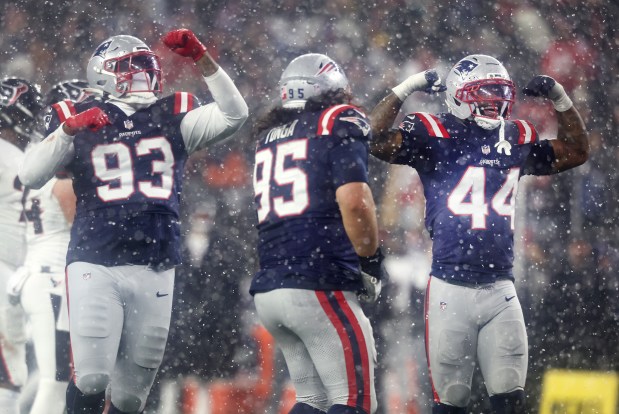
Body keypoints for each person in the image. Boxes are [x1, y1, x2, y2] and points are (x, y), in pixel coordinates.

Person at [18, 29, 248, 414]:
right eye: (130, 68)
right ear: (102, 75)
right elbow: (30, 176)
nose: (144, 76)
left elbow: (235, 113)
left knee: (130, 396)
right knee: (91, 377)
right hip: (96, 259)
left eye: (146, 67)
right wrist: (67, 130)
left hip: (155, 262)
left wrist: (202, 59)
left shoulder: (172, 114)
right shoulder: (77, 117)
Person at [369, 54, 588, 414]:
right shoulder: (433, 134)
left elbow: (577, 151)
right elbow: (374, 138)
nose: (494, 105)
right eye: (483, 96)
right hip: (449, 289)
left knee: (510, 401)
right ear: (458, 96)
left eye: (499, 97)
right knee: (450, 402)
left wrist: (560, 97)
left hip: (501, 287)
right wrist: (407, 87)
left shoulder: (515, 137)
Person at [250, 53, 386, 414]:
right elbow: (355, 203)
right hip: (317, 282)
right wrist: (371, 260)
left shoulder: (270, 137)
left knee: (313, 401)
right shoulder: (336, 120)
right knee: (355, 401)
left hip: (272, 287)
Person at [9, 80, 89, 414]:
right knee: (55, 383)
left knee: (44, 377)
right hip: (53, 281)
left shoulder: (36, 161)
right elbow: (82, 233)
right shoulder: (63, 176)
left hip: (35, 274)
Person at [0, 77, 44, 414]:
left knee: (12, 374)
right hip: (20, 272)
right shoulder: (31, 157)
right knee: (13, 372)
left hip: (12, 271)